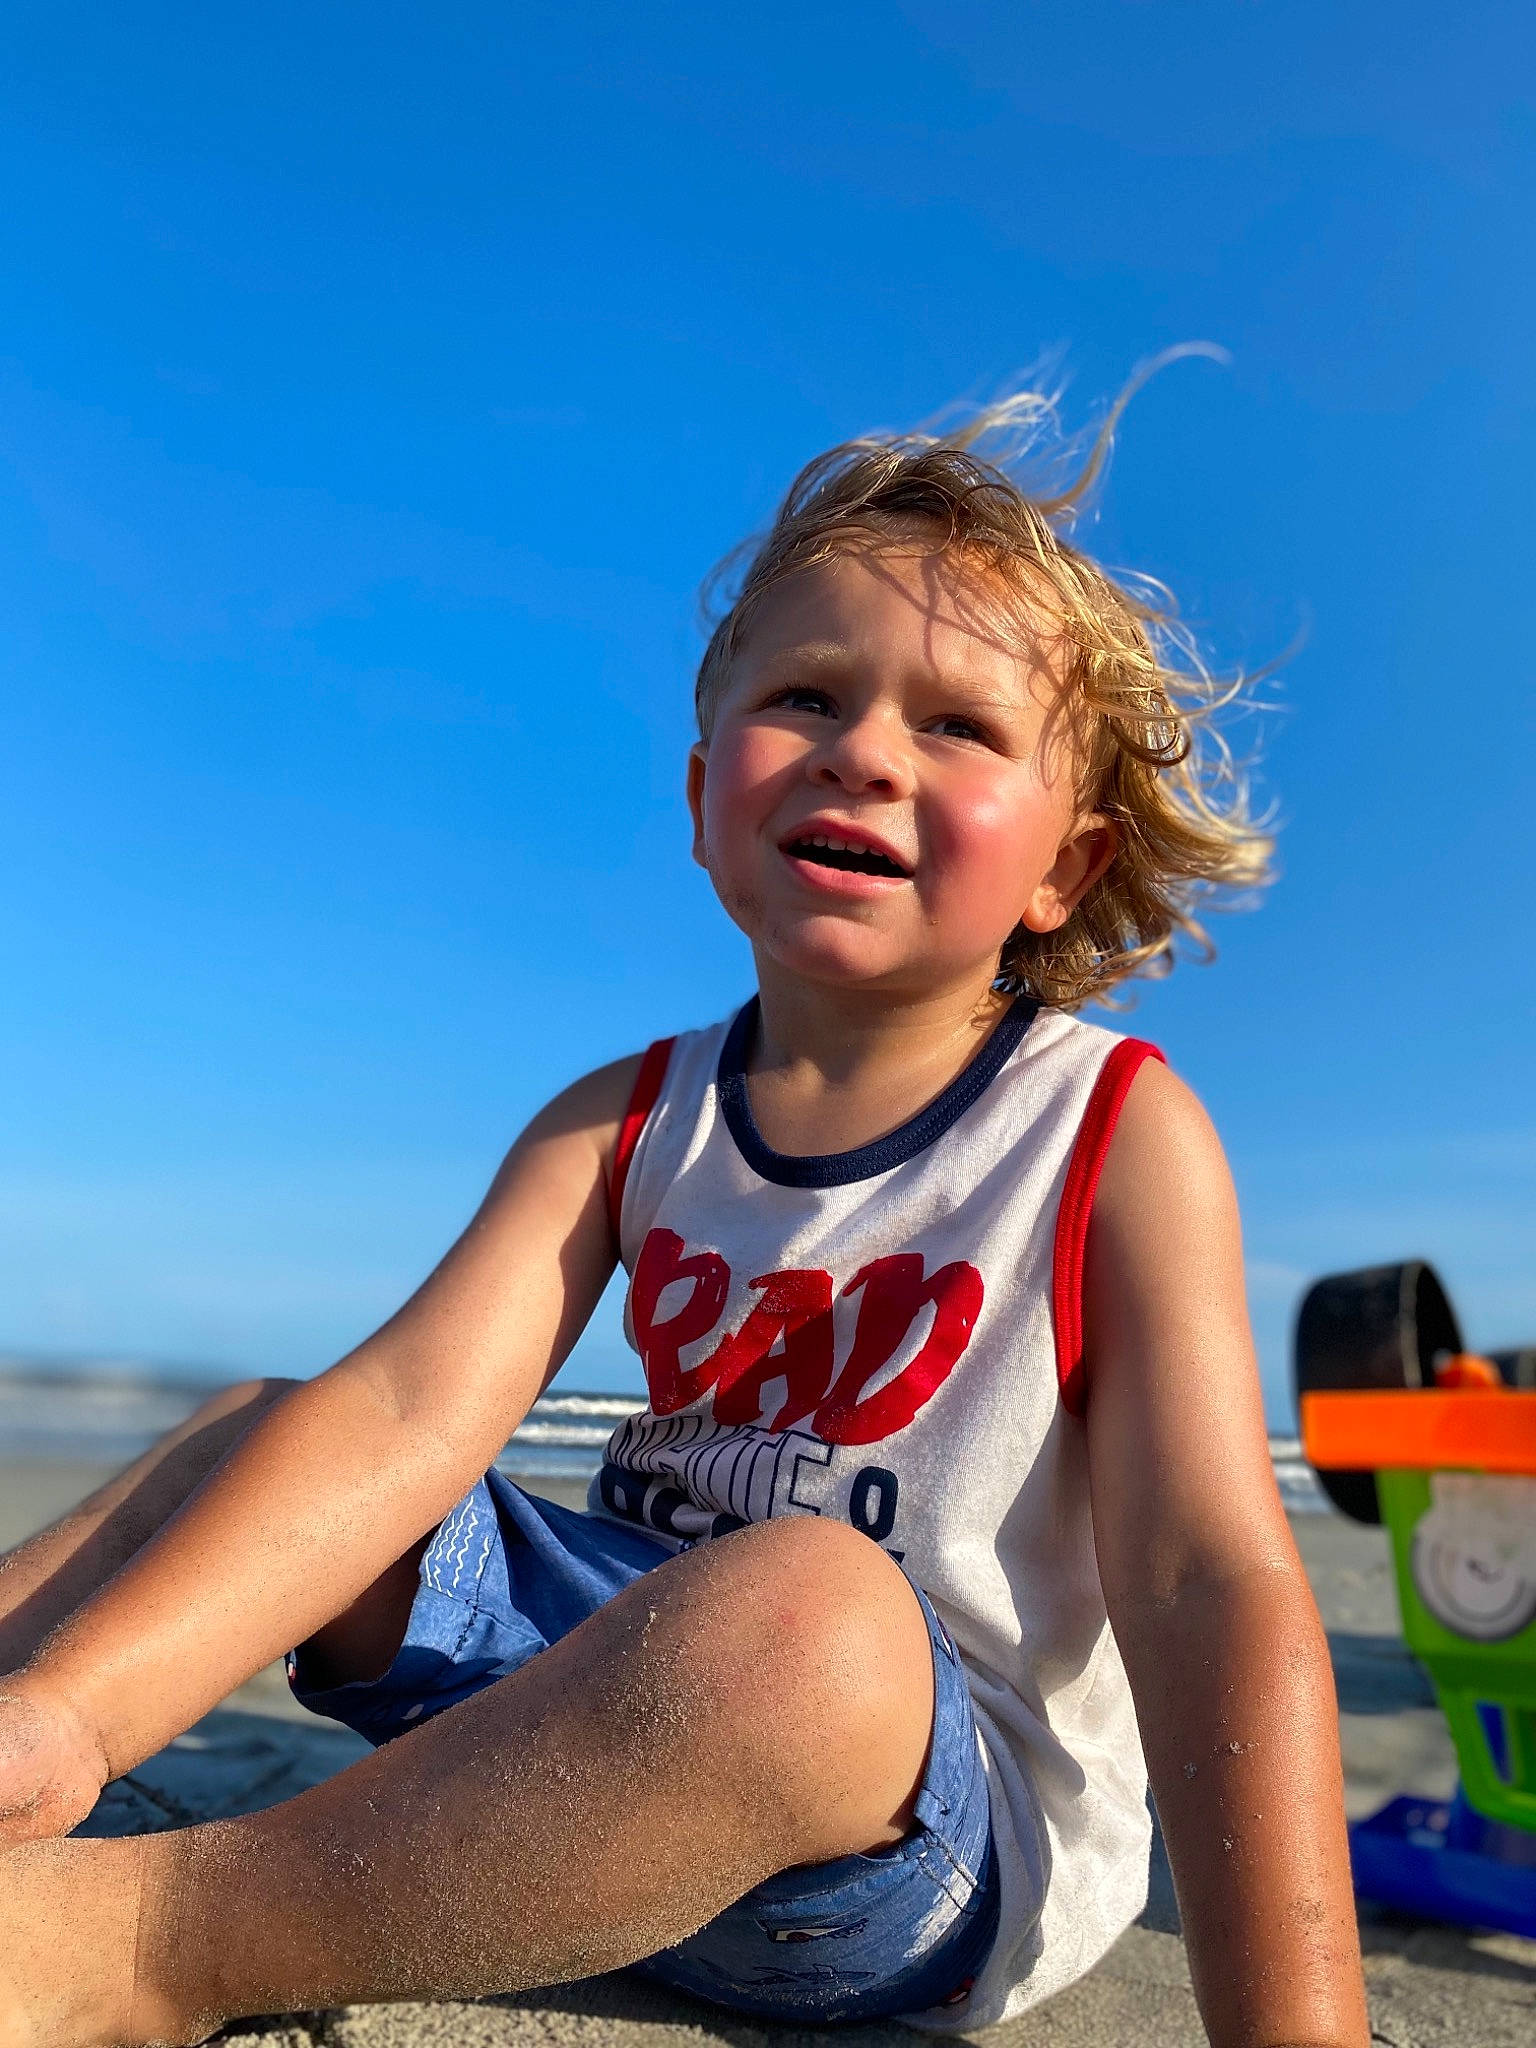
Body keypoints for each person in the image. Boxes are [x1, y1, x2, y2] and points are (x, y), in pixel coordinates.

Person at [0, 381, 1370, 2048]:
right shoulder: (624, 1117)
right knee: (257, 1436)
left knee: (805, 1614)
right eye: (810, 696)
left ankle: (156, 1948)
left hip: (907, 1843)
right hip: (577, 1757)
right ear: (709, 795)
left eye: (957, 726)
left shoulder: (1107, 1127)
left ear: (1063, 873)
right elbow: (409, 1411)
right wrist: (78, 1709)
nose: (867, 748)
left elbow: (1205, 1579)